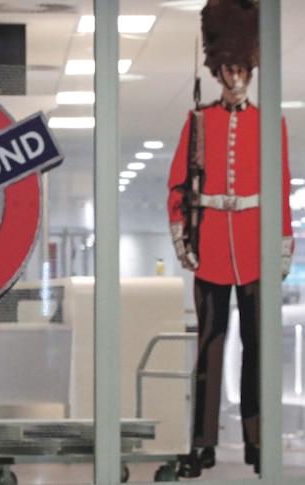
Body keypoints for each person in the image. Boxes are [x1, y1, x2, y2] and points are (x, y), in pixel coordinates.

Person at [167, 0, 293, 477]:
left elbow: (278, 188)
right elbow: (178, 182)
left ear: (250, 69)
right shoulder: (198, 121)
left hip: (254, 246)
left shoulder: (270, 123)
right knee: (209, 350)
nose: (235, 77)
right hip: (213, 246)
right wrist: (182, 233)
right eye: (227, 69)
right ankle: (202, 443)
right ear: (218, 71)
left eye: (241, 68)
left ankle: (258, 441)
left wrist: (282, 240)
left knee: (258, 353)